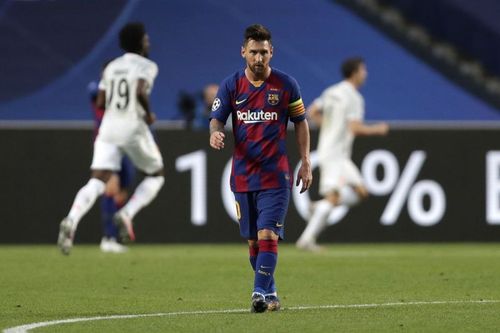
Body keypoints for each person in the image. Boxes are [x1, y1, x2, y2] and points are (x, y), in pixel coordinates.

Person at [209, 24, 312, 313]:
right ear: (243, 52)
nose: (258, 58)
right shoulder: (231, 85)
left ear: (271, 53)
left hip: (275, 176)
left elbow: (301, 122)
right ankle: (271, 292)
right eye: (253, 52)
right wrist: (214, 132)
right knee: (253, 241)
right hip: (242, 176)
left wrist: (305, 160)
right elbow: (217, 118)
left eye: (263, 52)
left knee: (268, 235)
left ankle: (257, 292)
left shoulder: (286, 85)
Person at [57, 22, 165, 255]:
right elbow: (138, 90)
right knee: (157, 175)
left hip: (108, 128)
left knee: (97, 181)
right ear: (139, 42)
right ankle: (126, 213)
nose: (148, 42)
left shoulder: (112, 67)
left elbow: (100, 102)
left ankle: (71, 219)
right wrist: (148, 115)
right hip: (132, 127)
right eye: (145, 39)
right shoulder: (147, 65)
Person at [296, 57, 389, 251]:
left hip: (331, 151)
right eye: (363, 70)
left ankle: (320, 207)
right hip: (336, 155)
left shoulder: (331, 91)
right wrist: (377, 130)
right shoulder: (354, 98)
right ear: (355, 73)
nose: (366, 73)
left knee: (361, 192)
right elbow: (354, 128)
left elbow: (311, 113)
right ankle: (307, 239)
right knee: (334, 196)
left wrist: (328, 128)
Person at [88, 74, 135, 253]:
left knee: (123, 190)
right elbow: (93, 91)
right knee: (110, 187)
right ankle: (108, 237)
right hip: (107, 146)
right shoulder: (97, 88)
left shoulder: (125, 94)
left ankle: (117, 235)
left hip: (124, 146)